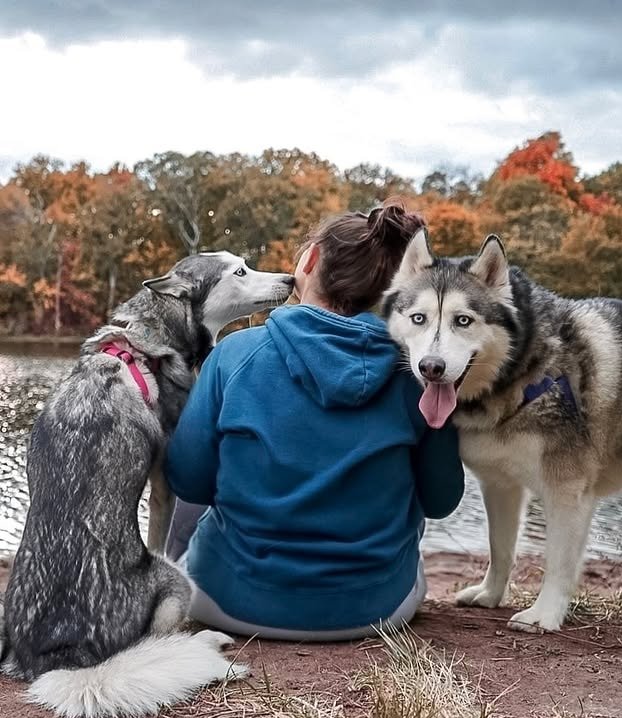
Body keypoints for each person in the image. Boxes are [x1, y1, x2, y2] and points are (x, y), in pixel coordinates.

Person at [164, 204, 465, 640]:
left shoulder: (234, 354)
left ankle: (173, 571)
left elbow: (188, 482)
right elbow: (441, 501)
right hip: (375, 610)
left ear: (310, 261)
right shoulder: (420, 374)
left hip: (225, 602)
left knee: (205, 454)